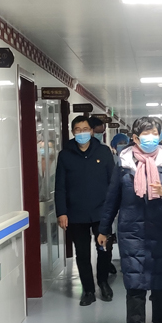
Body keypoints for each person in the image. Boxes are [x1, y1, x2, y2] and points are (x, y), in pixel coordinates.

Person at [98, 116, 162, 323]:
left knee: (160, 282)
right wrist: (104, 230)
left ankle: (161, 322)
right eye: (146, 134)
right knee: (135, 285)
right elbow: (112, 199)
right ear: (135, 138)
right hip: (132, 233)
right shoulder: (124, 164)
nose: (151, 138)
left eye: (155, 133)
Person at [56, 115, 116, 305]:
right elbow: (60, 186)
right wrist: (61, 212)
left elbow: (113, 183)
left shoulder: (103, 152)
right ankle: (88, 290)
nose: (81, 133)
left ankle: (103, 283)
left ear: (91, 131)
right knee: (82, 254)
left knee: (104, 250)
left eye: (85, 129)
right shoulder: (65, 155)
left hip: (101, 212)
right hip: (76, 213)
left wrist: (113, 208)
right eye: (77, 130)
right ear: (73, 132)